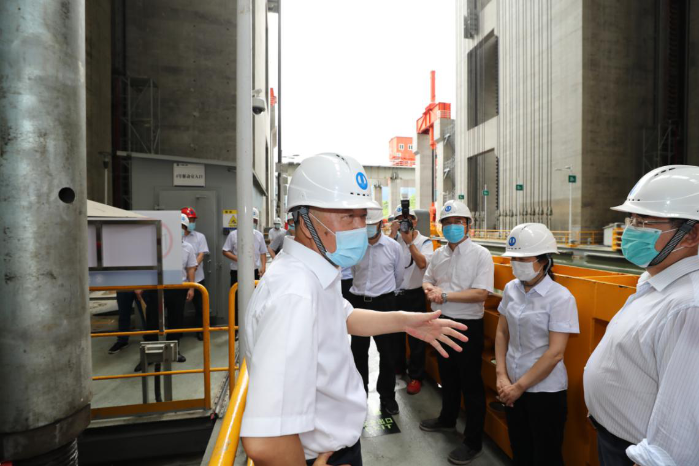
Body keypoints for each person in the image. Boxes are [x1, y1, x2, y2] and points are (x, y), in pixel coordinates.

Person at [240, 153, 469, 466]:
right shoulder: (295, 293)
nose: (360, 227)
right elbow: (266, 441)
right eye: (348, 217)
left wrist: (405, 321)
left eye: (362, 216)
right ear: (304, 221)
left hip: (334, 447)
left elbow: (344, 316)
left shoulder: (315, 271)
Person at [583, 165, 699, 466]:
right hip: (614, 437)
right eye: (631, 220)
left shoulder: (689, 306)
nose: (631, 230)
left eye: (643, 222)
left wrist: (655, 461)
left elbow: (685, 412)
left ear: (691, 235)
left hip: (637, 455)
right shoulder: (655, 282)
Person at [495, 223, 579, 466]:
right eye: (513, 258)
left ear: (544, 261)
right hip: (511, 386)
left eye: (523, 258)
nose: (516, 263)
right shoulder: (511, 289)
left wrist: (518, 387)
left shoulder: (560, 297)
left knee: (546, 456)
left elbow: (555, 353)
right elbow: (501, 332)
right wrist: (501, 375)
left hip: (545, 392)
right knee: (519, 449)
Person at [419, 200, 494, 465]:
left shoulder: (481, 255)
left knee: (470, 383)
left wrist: (445, 295)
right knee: (447, 375)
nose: (452, 227)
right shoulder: (439, 254)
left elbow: (481, 293)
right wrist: (430, 290)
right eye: (447, 223)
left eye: (457, 222)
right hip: (441, 322)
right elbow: (427, 279)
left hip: (466, 326)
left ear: (468, 225)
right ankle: (447, 419)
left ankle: (473, 442)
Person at [348, 205, 404, 414]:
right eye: (366, 224)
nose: (369, 227)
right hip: (359, 302)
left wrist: (382, 293)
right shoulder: (355, 246)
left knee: (388, 353)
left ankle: (387, 397)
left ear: (381, 224)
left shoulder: (393, 247)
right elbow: (354, 272)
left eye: (372, 224)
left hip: (385, 304)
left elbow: (399, 277)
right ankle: (359, 395)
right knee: (358, 352)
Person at [136, 213, 197, 370]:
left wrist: (191, 287)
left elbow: (191, 268)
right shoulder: (157, 245)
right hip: (155, 288)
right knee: (152, 320)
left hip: (177, 288)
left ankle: (174, 351)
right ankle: (150, 354)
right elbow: (146, 265)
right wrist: (140, 285)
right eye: (178, 226)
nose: (180, 229)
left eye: (183, 227)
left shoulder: (188, 248)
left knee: (176, 320)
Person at [392, 203, 434, 395]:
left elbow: (423, 263)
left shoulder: (425, 242)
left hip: (414, 294)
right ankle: (398, 367)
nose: (404, 224)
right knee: (395, 336)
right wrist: (392, 234)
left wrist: (409, 243)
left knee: (417, 338)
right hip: (394, 294)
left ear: (415, 222)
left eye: (407, 220)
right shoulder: (393, 240)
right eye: (400, 220)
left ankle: (416, 376)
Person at [222, 207, 267, 326]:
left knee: (254, 299)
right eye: (250, 220)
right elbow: (225, 251)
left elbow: (263, 252)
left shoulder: (258, 235)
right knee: (237, 299)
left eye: (254, 220)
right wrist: (238, 259)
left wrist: (263, 267)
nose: (252, 222)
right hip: (237, 272)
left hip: (254, 272)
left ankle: (252, 325)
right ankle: (236, 328)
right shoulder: (233, 235)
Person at [182, 206, 210, 341]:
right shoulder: (175, 236)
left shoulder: (200, 237)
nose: (192, 222)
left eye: (193, 220)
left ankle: (200, 330)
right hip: (180, 280)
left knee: (200, 307)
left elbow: (201, 254)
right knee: (177, 307)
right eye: (190, 219)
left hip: (197, 278)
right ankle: (177, 332)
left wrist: (193, 266)